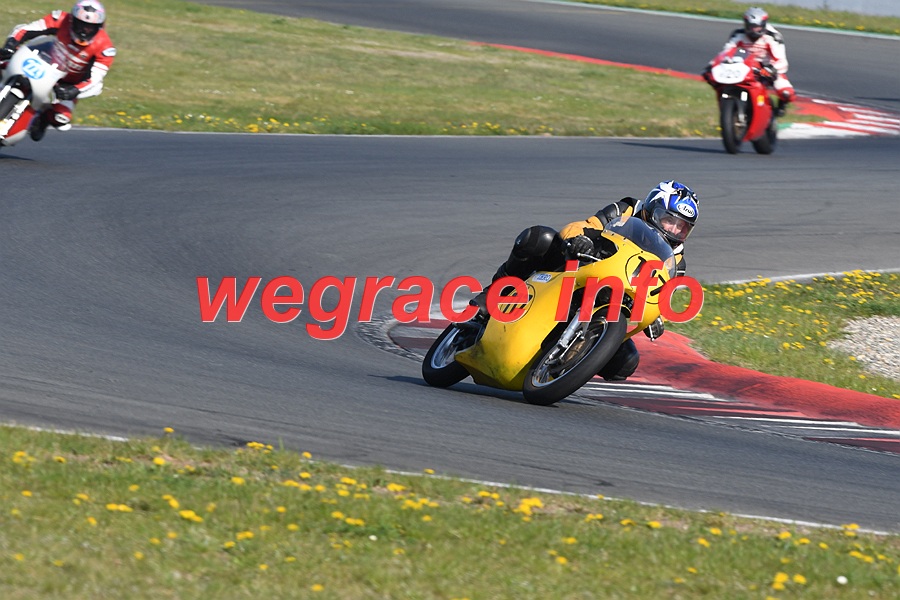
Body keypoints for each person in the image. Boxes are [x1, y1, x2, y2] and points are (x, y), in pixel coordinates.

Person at [469, 180, 700, 382]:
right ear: (652, 209)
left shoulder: (676, 261)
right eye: (669, 220)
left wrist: (657, 318)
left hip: (613, 301)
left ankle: (568, 363)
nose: (674, 230)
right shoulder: (627, 209)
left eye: (682, 227)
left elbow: (661, 297)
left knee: (626, 362)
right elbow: (585, 225)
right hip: (580, 267)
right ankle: (491, 297)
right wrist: (580, 239)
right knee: (538, 238)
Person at [0, 1, 115, 142]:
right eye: (80, 25)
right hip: (46, 62)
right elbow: (26, 29)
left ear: (99, 27)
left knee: (61, 118)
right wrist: (11, 44)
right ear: (72, 20)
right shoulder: (60, 19)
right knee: (3, 60)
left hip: (69, 83)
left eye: (90, 27)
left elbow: (95, 79)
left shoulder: (105, 48)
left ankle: (44, 117)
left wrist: (75, 90)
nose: (84, 30)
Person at [704, 7, 795, 116]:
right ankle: (729, 105)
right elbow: (726, 53)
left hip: (767, 69)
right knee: (714, 80)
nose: (754, 30)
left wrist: (771, 69)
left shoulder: (773, 36)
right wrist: (712, 65)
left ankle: (780, 106)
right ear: (746, 24)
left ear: (763, 24)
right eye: (751, 27)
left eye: (757, 27)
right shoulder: (738, 34)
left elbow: (782, 61)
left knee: (787, 93)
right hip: (745, 66)